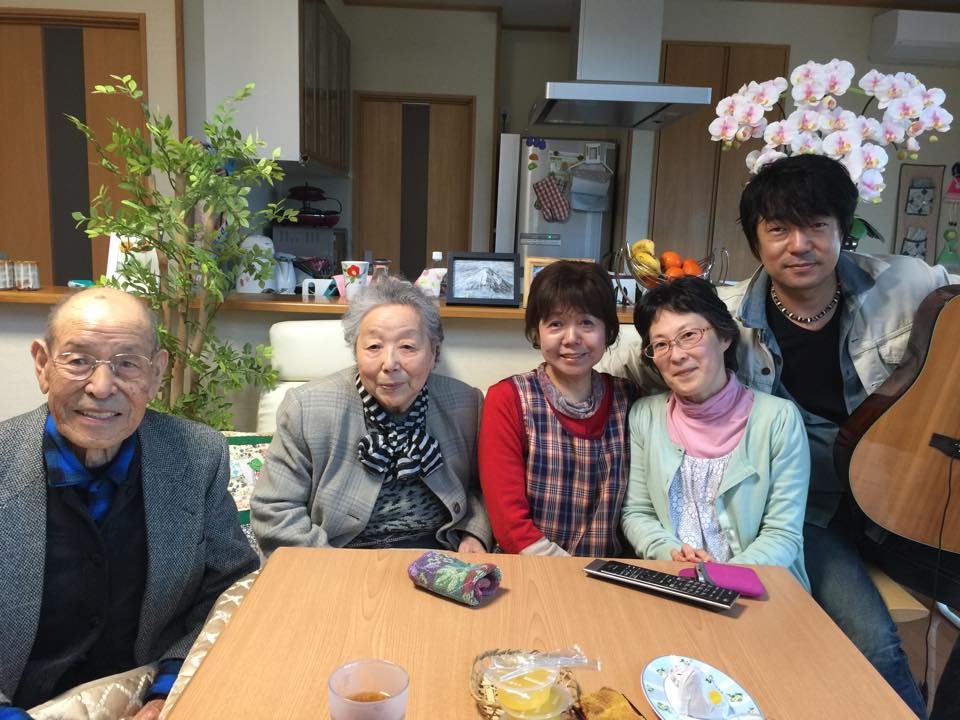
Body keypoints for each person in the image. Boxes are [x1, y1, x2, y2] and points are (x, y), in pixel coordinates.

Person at [721, 153, 960, 717]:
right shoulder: (728, 317)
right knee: (874, 643)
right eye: (779, 230)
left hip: (903, 496)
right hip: (809, 509)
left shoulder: (907, 283)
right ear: (756, 240)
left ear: (841, 230)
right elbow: (642, 354)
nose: (799, 245)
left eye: (816, 226)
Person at [0, 287, 258, 720]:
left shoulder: (196, 456)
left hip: (146, 693)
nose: (101, 387)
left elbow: (227, 584)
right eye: (78, 361)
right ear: (43, 365)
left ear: (155, 374)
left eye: (127, 364)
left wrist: (168, 689)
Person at [252, 277, 492, 553]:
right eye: (374, 347)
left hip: (439, 555)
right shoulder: (305, 408)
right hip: (337, 554)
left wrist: (474, 533)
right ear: (356, 351)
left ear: (433, 352)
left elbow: (488, 490)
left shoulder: (467, 404)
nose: (390, 364)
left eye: (407, 346)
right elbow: (275, 509)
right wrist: (329, 565)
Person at [621, 277, 810, 588]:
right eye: (661, 344)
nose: (676, 355)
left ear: (724, 337)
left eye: (689, 335)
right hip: (674, 580)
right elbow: (638, 512)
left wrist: (717, 578)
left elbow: (782, 533)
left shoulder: (779, 419)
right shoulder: (644, 416)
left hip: (761, 586)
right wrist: (669, 554)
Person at [478, 260, 639, 556]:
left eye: (587, 322)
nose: (571, 338)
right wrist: (568, 572)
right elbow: (510, 525)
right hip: (528, 568)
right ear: (537, 332)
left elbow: (639, 508)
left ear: (608, 330)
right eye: (555, 324)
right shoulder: (508, 399)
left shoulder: (629, 399)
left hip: (610, 572)